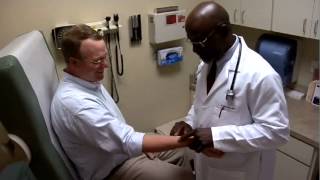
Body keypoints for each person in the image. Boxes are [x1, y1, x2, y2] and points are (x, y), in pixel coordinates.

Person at [50, 24, 195, 180]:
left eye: (105, 57)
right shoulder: (75, 104)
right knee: (185, 176)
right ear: (73, 62)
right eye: (97, 61)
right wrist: (188, 140)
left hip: (122, 152)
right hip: (113, 171)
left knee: (183, 152)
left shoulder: (86, 80)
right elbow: (126, 140)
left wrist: (145, 144)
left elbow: (121, 136)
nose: (105, 65)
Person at [171, 1, 290, 180]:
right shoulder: (206, 64)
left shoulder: (261, 75)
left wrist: (217, 136)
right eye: (192, 41)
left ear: (224, 31)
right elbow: (201, 106)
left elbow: (277, 132)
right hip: (206, 165)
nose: (195, 49)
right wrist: (189, 124)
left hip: (242, 170)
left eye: (201, 42)